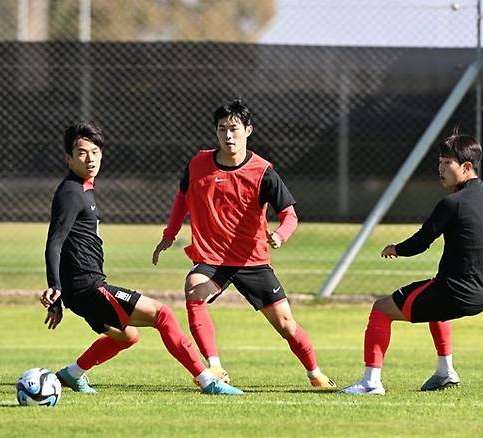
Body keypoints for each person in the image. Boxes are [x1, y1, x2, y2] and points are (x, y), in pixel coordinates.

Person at [40, 120, 243, 396]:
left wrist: (62, 294)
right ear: (68, 158)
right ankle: (209, 382)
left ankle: (71, 374)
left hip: (81, 289)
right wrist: (56, 287)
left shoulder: (83, 188)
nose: (90, 159)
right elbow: (55, 241)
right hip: (88, 287)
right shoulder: (71, 193)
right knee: (164, 315)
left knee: (128, 337)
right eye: (82, 153)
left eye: (96, 152)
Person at [152, 99, 335, 389]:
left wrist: (280, 234)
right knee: (193, 289)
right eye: (222, 129)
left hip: (253, 260)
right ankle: (214, 367)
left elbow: (289, 215)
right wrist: (169, 235)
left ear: (248, 130)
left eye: (234, 129)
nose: (228, 135)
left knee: (286, 325)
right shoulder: (198, 164)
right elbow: (181, 198)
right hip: (214, 259)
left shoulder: (263, 171)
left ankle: (315, 373)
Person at [341, 133, 483, 395]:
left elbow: (421, 242)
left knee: (381, 309)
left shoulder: (452, 204)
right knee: (436, 304)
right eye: (440, 162)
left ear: (466, 167)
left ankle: (370, 383)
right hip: (482, 295)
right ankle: (445, 372)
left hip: (453, 292)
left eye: (447, 163)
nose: (440, 169)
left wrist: (396, 249)